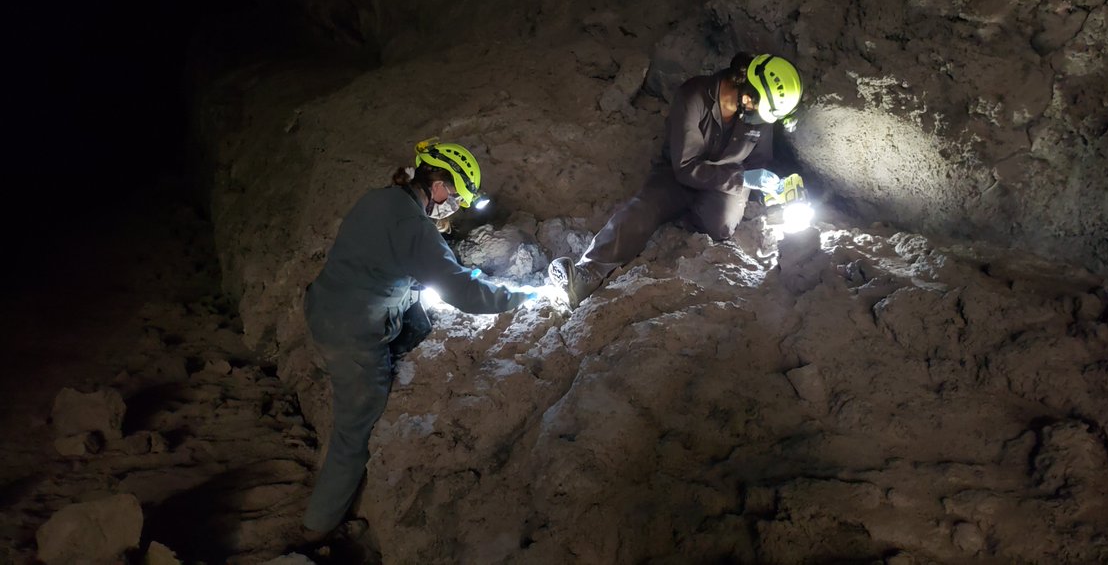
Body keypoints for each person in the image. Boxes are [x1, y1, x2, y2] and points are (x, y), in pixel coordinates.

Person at [301, 139, 534, 536]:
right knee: (352, 433)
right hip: (351, 337)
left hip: (325, 303)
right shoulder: (412, 227)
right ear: (439, 185)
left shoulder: (382, 198)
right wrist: (521, 297)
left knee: (415, 300)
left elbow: (400, 258)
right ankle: (315, 527)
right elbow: (463, 293)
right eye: (457, 197)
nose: (456, 206)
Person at [548, 53, 804, 308]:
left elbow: (758, 161)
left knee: (721, 226)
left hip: (725, 180)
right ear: (748, 92)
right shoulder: (694, 96)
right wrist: (741, 179)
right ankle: (585, 273)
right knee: (643, 210)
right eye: (758, 110)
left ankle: (682, 218)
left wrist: (771, 188)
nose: (760, 119)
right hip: (678, 174)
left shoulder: (760, 111)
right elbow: (685, 167)